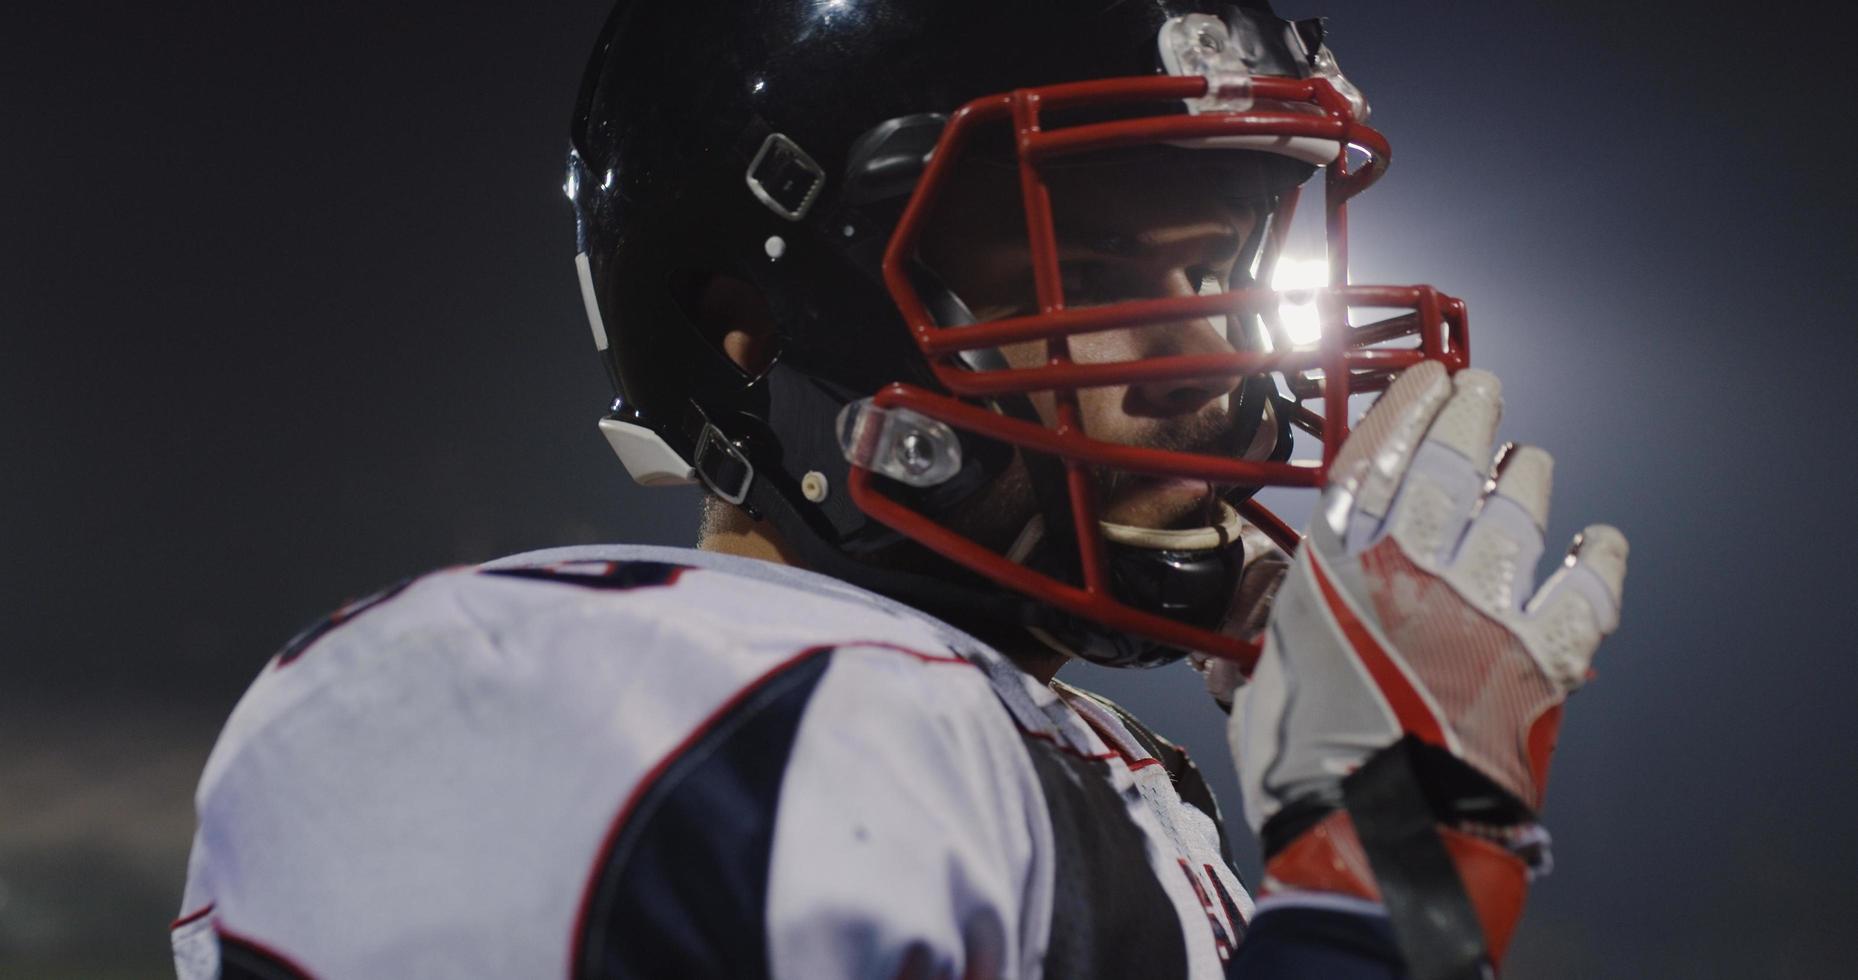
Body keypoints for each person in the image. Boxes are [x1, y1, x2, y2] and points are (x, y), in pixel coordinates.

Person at [171, 2, 1627, 978]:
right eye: (1103, 276)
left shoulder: (1054, 754)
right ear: (755, 325)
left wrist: (1386, 839)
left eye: (1224, 273)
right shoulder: (596, 693)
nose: (1216, 362)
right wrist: (1383, 893)